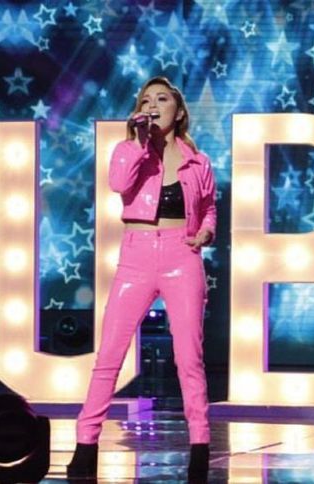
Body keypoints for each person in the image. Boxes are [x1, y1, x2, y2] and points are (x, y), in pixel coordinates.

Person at [66, 76, 217, 482]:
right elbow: (119, 184)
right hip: (136, 256)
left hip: (182, 256)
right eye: (145, 100)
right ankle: (85, 445)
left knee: (189, 358)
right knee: (109, 356)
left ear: (178, 112)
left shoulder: (198, 161)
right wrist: (138, 143)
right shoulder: (128, 151)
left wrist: (206, 232)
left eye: (161, 99)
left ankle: (199, 448)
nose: (152, 105)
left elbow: (208, 208)